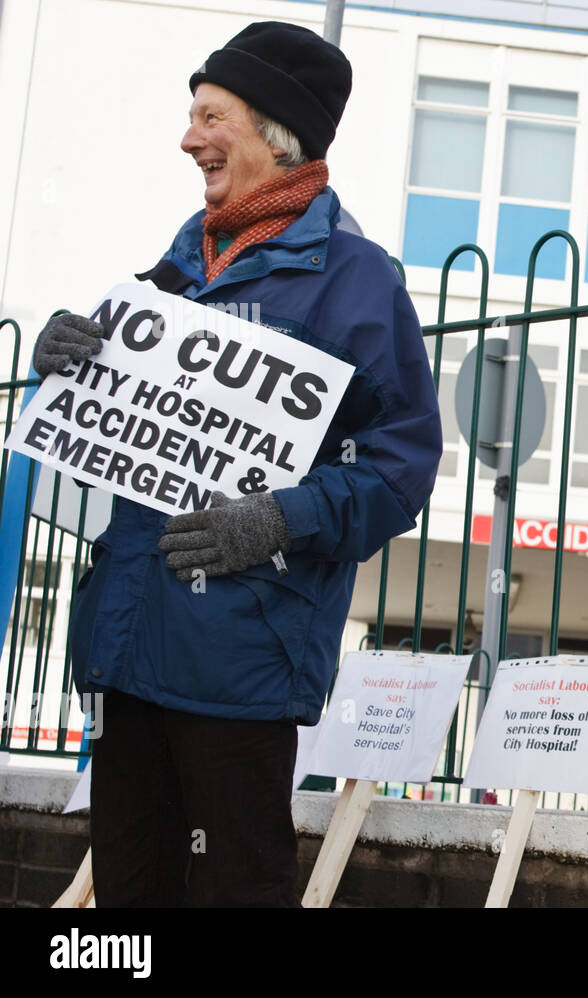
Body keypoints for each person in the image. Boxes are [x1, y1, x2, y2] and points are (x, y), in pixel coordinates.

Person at [32, 21, 442, 906]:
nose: (189, 138)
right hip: (125, 648)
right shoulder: (172, 276)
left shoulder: (358, 283)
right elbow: (103, 434)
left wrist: (279, 519)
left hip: (239, 664)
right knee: (121, 910)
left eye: (211, 116)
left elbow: (401, 466)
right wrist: (61, 363)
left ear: (277, 136)